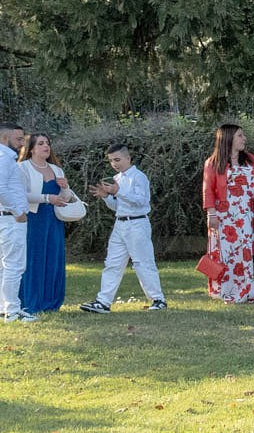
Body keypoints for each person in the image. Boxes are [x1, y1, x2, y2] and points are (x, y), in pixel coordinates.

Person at [77, 143, 165, 314]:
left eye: (117, 159)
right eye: (111, 161)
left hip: (137, 223)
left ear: (128, 158)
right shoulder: (117, 179)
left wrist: (118, 192)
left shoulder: (138, 177)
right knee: (112, 263)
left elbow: (141, 201)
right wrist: (106, 197)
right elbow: (118, 206)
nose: (115, 164)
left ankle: (158, 299)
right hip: (120, 223)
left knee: (142, 262)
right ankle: (103, 301)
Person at [201, 123, 254, 304]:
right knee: (229, 253)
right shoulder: (213, 163)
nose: (244, 139)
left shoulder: (249, 159)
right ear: (228, 138)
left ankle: (253, 290)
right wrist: (211, 214)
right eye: (240, 135)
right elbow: (208, 190)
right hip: (225, 216)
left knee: (250, 250)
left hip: (249, 214)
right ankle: (231, 290)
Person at [17, 134, 76, 315]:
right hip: (34, 219)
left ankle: (51, 302)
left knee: (53, 257)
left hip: (54, 219)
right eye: (41, 143)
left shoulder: (56, 170)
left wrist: (65, 187)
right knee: (34, 258)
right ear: (31, 148)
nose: (46, 146)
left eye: (48, 143)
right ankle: (29, 302)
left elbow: (66, 198)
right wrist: (46, 198)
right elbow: (20, 195)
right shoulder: (22, 168)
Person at [0, 124, 27, 321]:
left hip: (8, 217)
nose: (21, 144)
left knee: (5, 265)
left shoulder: (7, 159)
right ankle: (13, 310)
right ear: (4, 138)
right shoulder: (4, 158)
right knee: (14, 265)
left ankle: (4, 307)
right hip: (10, 218)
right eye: (18, 139)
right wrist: (17, 211)